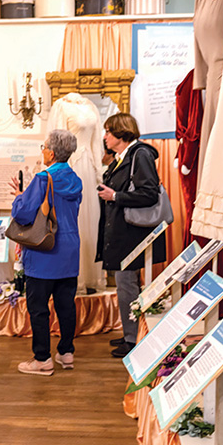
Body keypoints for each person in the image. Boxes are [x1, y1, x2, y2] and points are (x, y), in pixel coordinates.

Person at [8, 130, 82, 376]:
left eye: (43, 147)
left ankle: (42, 359)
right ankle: (66, 352)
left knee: (38, 307)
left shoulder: (43, 178)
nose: (42, 151)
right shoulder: (76, 179)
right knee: (66, 304)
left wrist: (19, 198)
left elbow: (23, 214)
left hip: (44, 250)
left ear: (50, 152)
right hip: (70, 249)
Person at [96, 113, 166, 358]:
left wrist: (115, 196)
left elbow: (149, 193)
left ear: (120, 133)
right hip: (124, 232)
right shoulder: (122, 157)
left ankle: (134, 340)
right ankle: (130, 334)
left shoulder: (140, 155)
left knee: (127, 284)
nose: (105, 137)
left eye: (108, 132)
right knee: (125, 285)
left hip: (133, 234)